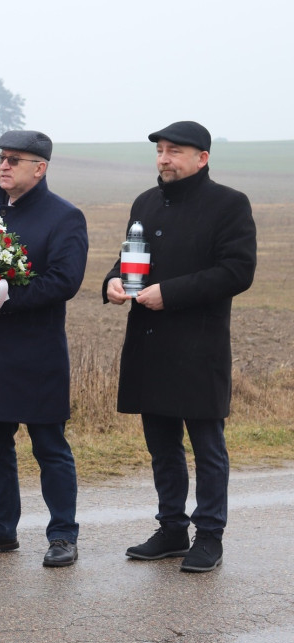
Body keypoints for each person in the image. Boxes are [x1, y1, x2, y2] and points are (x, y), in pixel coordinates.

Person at [104, 121, 256, 573]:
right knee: (162, 445)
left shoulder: (229, 204)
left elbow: (237, 271)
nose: (164, 159)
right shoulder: (146, 202)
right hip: (149, 345)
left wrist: (170, 293)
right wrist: (113, 279)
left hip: (198, 347)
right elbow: (130, 256)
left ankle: (209, 535)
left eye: (174, 152)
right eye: (160, 151)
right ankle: (172, 529)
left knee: (208, 447)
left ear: (202, 158)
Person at [0, 130, 88, 567]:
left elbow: (64, 282)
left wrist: (3, 295)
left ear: (40, 167)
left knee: (49, 446)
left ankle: (63, 534)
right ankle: (0, 528)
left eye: (14, 159)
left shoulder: (65, 217)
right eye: (1, 157)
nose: (4, 165)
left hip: (36, 353)